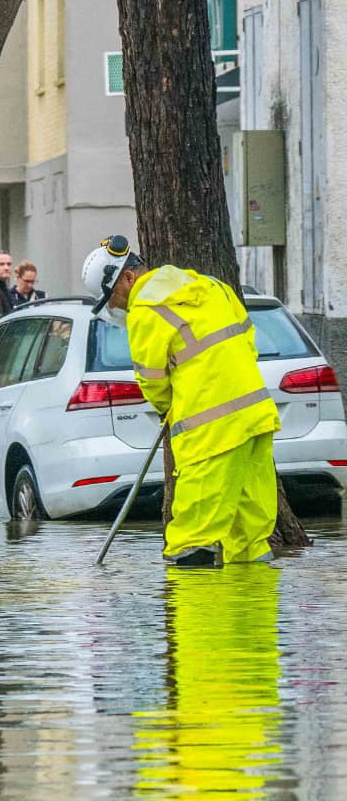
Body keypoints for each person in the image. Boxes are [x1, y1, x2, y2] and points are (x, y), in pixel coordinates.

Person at [82, 235, 281, 567]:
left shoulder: (145, 310)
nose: (117, 307)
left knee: (191, 541)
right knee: (249, 536)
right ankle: (250, 614)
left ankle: (195, 618)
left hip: (210, 431)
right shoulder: (210, 286)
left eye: (114, 298)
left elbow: (153, 380)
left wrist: (170, 410)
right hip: (256, 417)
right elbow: (246, 339)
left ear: (128, 277)